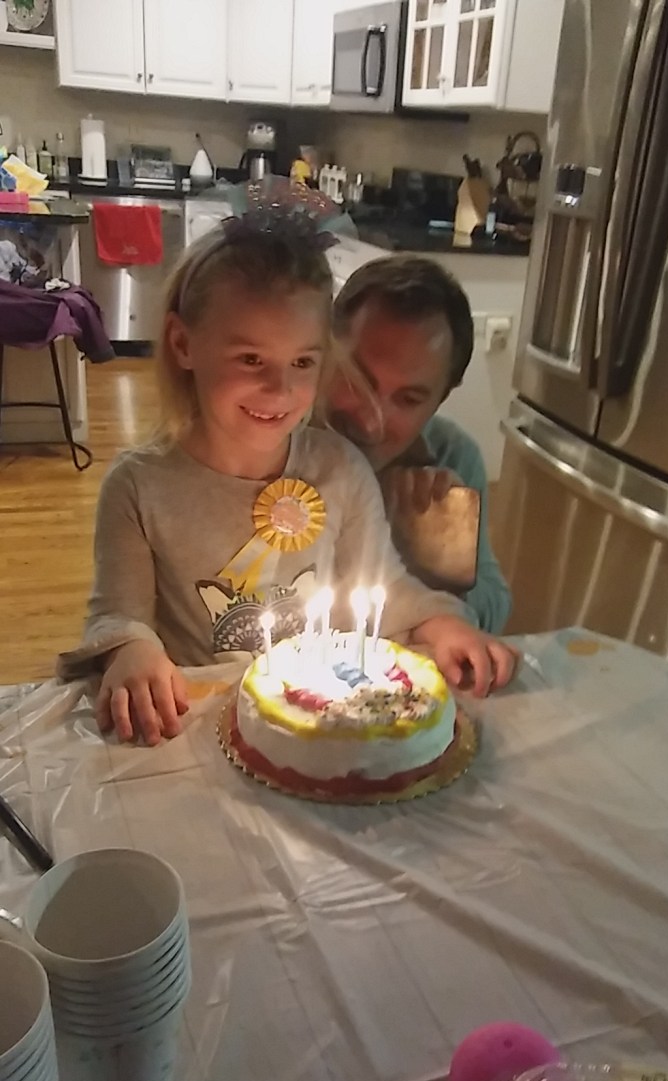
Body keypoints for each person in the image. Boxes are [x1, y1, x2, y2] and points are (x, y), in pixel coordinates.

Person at [58, 212, 518, 746]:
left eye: (302, 362)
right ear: (183, 344)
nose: (279, 389)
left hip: (321, 733)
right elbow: (118, 613)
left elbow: (389, 589)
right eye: (251, 358)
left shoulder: (341, 469)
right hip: (195, 733)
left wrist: (441, 622)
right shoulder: (137, 488)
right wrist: (131, 649)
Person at [328, 254, 511, 634]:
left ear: (440, 399)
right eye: (357, 380)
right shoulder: (277, 439)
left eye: (408, 400)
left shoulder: (451, 455)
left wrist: (441, 555)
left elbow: (495, 606)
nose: (372, 419)